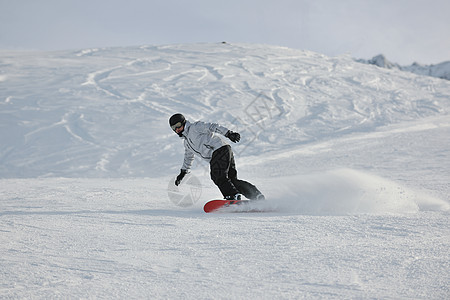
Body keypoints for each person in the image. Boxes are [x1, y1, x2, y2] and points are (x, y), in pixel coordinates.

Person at [169, 113, 265, 201]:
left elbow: (212, 126)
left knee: (217, 175)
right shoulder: (187, 143)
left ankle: (232, 196)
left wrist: (228, 133)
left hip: (219, 149)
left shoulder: (195, 127)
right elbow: (188, 157)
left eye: (178, 125)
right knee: (232, 181)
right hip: (223, 151)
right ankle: (256, 195)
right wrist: (183, 172)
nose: (177, 129)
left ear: (183, 122)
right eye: (174, 128)